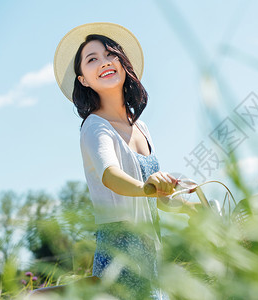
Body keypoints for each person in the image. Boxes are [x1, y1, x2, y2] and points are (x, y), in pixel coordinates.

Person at [53, 22, 198, 300]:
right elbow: (111, 176)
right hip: (120, 254)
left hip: (151, 253)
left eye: (110, 54)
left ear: (122, 62)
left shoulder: (141, 128)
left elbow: (156, 197)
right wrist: (146, 187)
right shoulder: (95, 127)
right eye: (92, 59)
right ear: (83, 79)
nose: (105, 62)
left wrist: (190, 207)